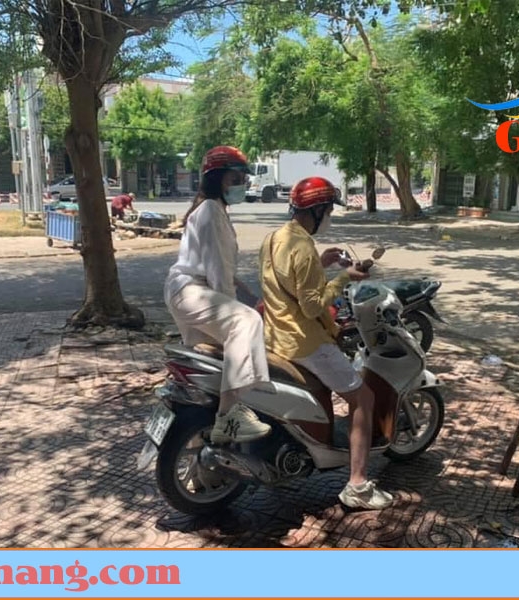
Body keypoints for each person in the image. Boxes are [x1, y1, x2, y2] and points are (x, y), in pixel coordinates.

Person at [259, 176, 394, 510]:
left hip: (275, 335)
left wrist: (323, 263)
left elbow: (287, 279)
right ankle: (358, 486)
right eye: (329, 211)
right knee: (364, 398)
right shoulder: (303, 247)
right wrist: (344, 278)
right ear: (317, 211)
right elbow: (312, 306)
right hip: (305, 342)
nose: (330, 217)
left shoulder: (275, 238)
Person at [164, 145, 272, 444]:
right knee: (246, 322)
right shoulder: (211, 210)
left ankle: (199, 452)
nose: (241, 184)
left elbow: (224, 270)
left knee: (210, 370)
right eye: (234, 179)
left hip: (186, 292)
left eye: (242, 179)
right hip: (192, 291)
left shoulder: (211, 209)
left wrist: (250, 296)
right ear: (217, 179)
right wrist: (241, 308)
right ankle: (229, 414)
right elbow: (219, 274)